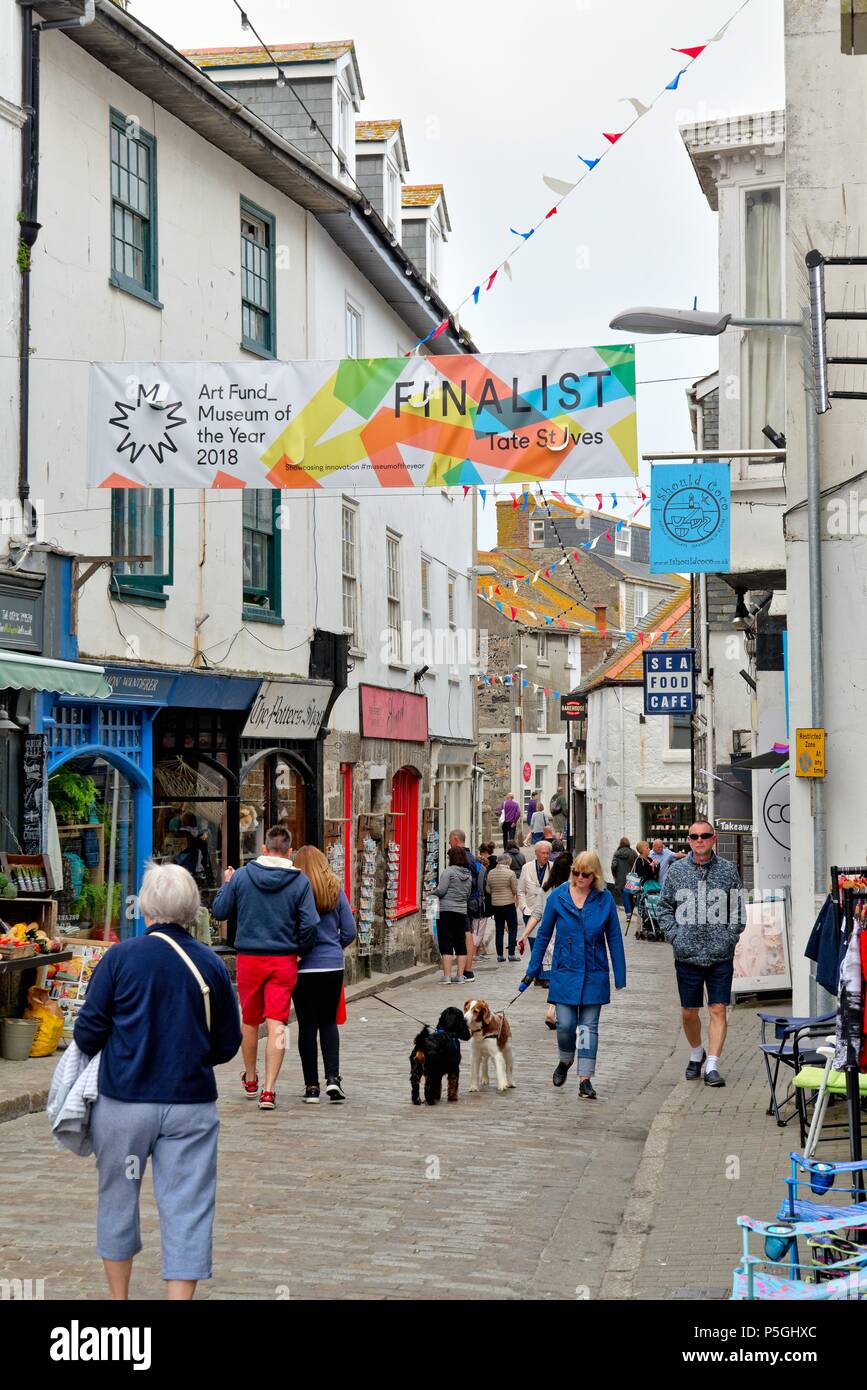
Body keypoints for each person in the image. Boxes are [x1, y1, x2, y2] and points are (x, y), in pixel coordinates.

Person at [73, 863, 242, 1300]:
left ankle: (119, 1302)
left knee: (118, 1199)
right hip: (190, 1104)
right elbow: (227, 1043)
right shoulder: (211, 964)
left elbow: (88, 1032)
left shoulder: (120, 958)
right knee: (187, 1205)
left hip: (124, 1102)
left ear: (145, 908)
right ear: (192, 910)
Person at [212, 826, 319, 1111]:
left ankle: (250, 1078)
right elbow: (310, 924)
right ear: (290, 851)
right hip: (284, 959)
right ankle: (269, 1090)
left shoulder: (243, 876)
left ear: (264, 848)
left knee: (249, 1020)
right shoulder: (300, 882)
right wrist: (299, 950)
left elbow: (220, 910)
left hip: (249, 957)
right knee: (278, 1024)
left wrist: (227, 882)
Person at [519, 851, 626, 1099]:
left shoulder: (604, 899)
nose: (579, 878)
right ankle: (565, 1060)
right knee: (565, 1025)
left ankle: (585, 1079)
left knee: (588, 1028)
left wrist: (619, 974)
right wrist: (532, 971)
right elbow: (544, 935)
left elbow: (614, 937)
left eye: (585, 874)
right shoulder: (558, 897)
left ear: (595, 876)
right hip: (565, 970)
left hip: (594, 972)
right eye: (576, 872)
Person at [657, 820, 745, 1088]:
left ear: (713, 838)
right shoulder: (676, 871)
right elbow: (663, 908)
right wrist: (675, 937)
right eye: (694, 836)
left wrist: (728, 938)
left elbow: (738, 911)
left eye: (704, 836)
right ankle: (697, 1053)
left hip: (720, 955)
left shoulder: (728, 871)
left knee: (718, 1008)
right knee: (688, 1012)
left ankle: (713, 1065)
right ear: (689, 839)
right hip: (687, 956)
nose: (699, 840)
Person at [291, 846, 357, 1104]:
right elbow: (350, 931)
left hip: (302, 966)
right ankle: (333, 1078)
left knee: (307, 1026)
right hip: (332, 966)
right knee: (328, 1022)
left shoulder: (294, 891)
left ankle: (311, 1087)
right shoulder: (334, 888)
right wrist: (333, 948)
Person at [434, 845, 472, 983]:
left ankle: (447, 976)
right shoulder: (468, 874)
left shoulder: (448, 872)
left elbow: (442, 890)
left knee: (446, 942)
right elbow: (467, 894)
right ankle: (460, 975)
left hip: (446, 911)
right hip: (461, 911)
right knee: (460, 942)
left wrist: (432, 892)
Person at [448, 828, 481, 982]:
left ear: (455, 840)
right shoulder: (471, 856)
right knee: (466, 933)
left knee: (466, 933)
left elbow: (468, 882)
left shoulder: (464, 858)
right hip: (470, 900)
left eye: (449, 839)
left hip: (465, 902)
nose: (448, 842)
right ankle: (467, 969)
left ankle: (467, 970)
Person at [516, 841, 552, 963]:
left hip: (546, 912)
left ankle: (543, 972)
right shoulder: (527, 868)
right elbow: (520, 891)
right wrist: (524, 908)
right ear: (536, 853)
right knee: (534, 944)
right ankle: (537, 972)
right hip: (530, 912)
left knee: (546, 945)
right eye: (543, 853)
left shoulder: (552, 868)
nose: (546, 856)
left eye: (548, 853)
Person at [486, 853, 520, 961]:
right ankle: (511, 954)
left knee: (499, 929)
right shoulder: (510, 873)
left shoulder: (491, 873)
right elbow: (515, 890)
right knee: (512, 928)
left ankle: (500, 955)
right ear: (508, 862)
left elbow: (488, 889)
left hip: (496, 905)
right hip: (509, 904)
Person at [610, 837, 634, 914]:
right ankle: (631, 910)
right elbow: (637, 863)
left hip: (621, 878)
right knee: (630, 895)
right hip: (631, 878)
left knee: (625, 896)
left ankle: (628, 913)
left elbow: (613, 866)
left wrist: (615, 875)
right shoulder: (633, 853)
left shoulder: (617, 854)